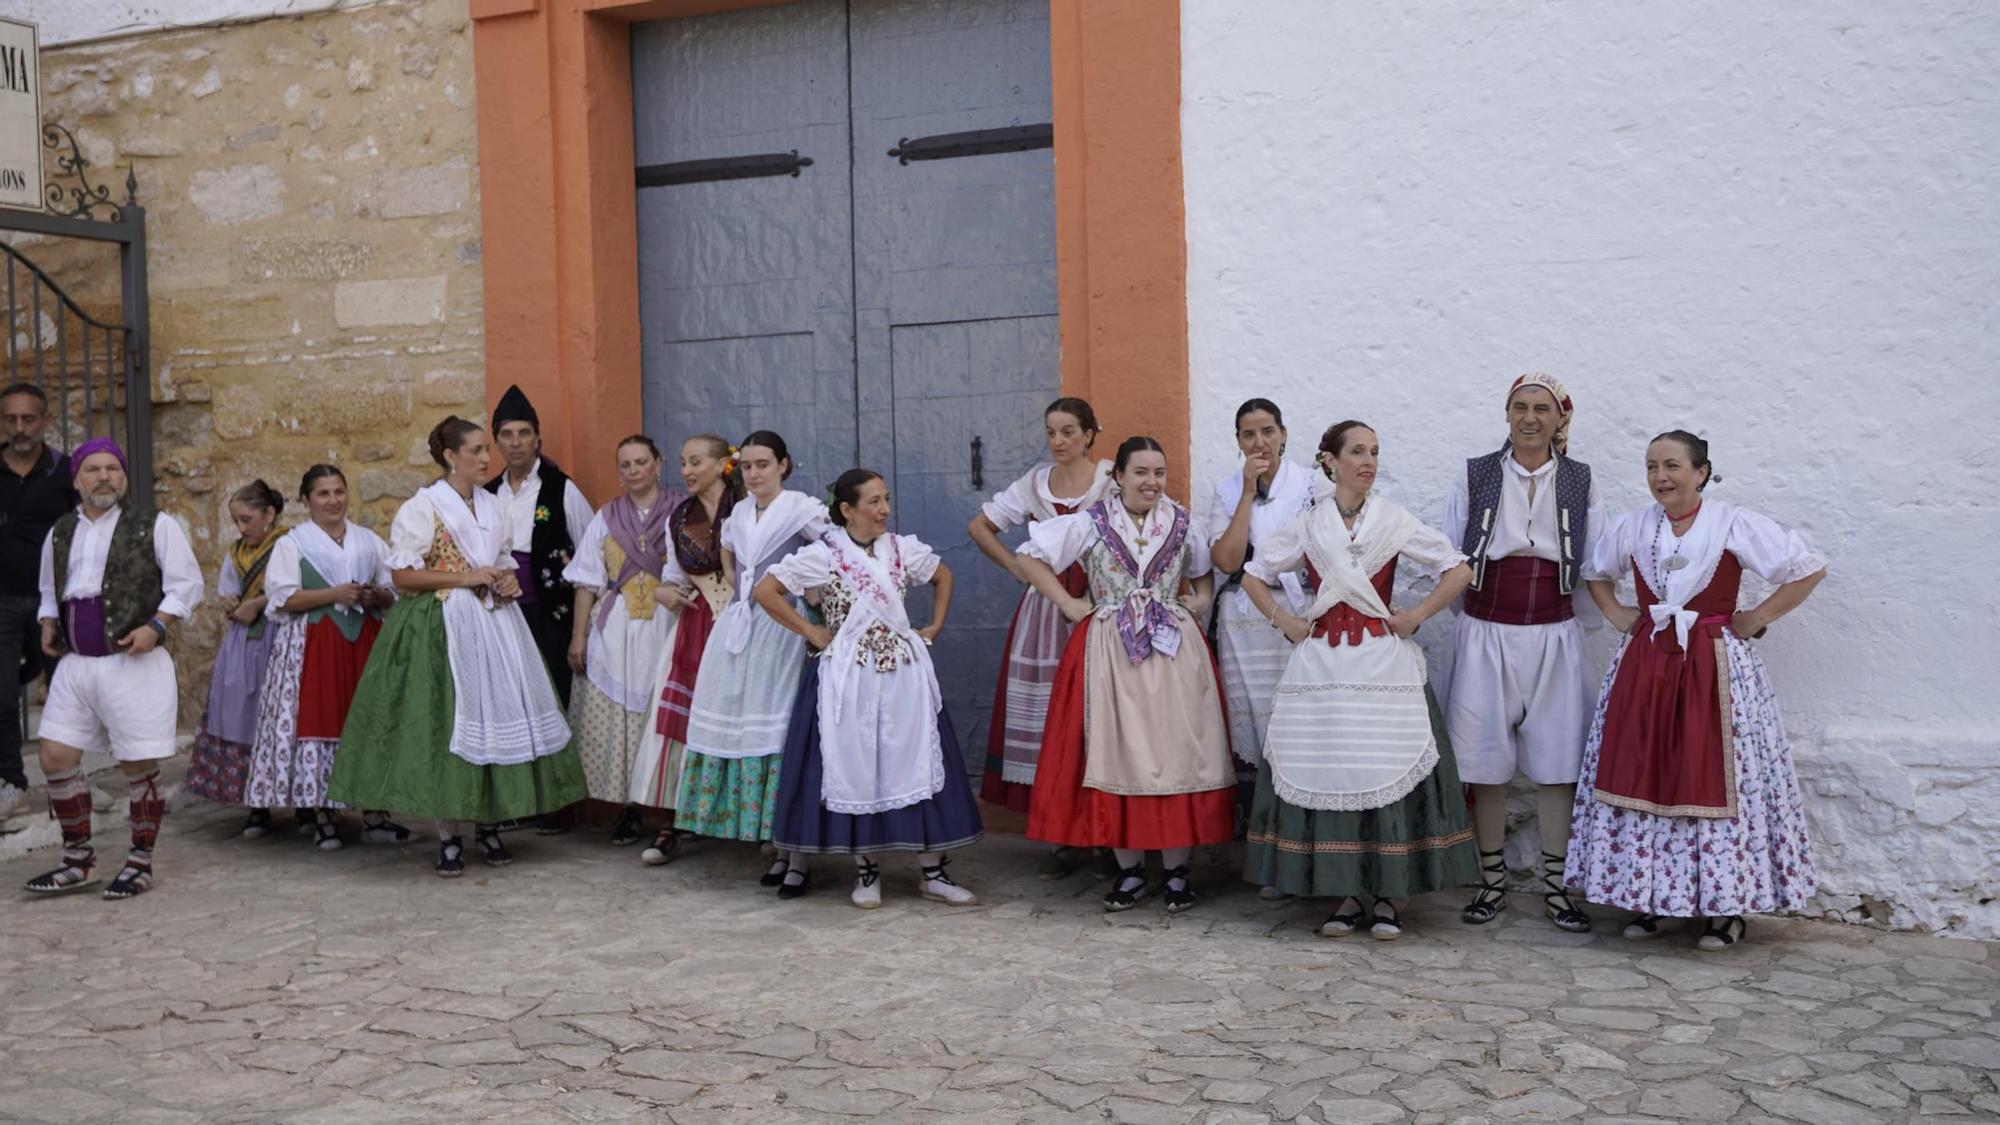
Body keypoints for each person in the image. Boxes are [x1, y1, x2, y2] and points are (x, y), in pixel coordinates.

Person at [1568, 431, 1826, 951]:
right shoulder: (1634, 527)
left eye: (1672, 466)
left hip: (1715, 665)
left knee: (1713, 776)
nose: (1661, 477)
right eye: (1652, 467)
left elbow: (1806, 568)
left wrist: (1756, 616)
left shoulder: (1732, 522)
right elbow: (1596, 573)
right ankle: (1649, 899)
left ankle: (1723, 910)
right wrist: (1618, 613)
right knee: (1646, 770)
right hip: (1647, 665)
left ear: (1701, 471)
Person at [1239, 421, 1480, 940]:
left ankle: (1390, 896)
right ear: (1330, 461)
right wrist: (1289, 623)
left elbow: (1458, 568)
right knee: (1333, 769)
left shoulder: (1393, 520)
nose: (1368, 461)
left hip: (1380, 662)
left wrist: (1416, 615)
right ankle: (1347, 895)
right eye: (1357, 452)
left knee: (1382, 763)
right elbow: (1253, 575)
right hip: (1323, 664)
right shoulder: (1309, 525)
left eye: (1374, 452)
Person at [328, 417, 587, 877]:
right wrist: (465, 576)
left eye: (487, 450)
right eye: (477, 450)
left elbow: (501, 561)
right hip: (441, 625)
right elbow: (403, 576)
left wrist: (504, 579)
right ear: (451, 456)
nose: (487, 458)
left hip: (494, 626)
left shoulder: (492, 506)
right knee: (448, 724)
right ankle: (449, 835)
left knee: (496, 718)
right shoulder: (423, 507)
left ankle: (488, 823)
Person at [1016, 436, 1232, 914]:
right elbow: (1027, 557)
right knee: (1115, 751)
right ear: (1118, 477)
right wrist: (1070, 603)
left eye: (1159, 473)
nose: (1151, 482)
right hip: (1109, 648)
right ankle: (1130, 870)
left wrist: (1199, 599)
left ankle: (1177, 873)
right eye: (1141, 472)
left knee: (1177, 751)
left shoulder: (1181, 522)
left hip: (1173, 651)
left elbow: (1202, 574)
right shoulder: (1090, 523)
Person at [761, 469, 982, 908]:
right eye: (873, 502)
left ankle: (932, 872)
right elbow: (766, 590)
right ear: (847, 510)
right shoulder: (823, 555)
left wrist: (933, 627)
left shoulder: (901, 548)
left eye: (886, 499)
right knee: (859, 767)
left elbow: (943, 576)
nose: (883, 510)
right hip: (850, 677)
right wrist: (811, 630)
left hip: (903, 675)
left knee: (916, 759)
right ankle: (866, 872)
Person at [1442, 372, 1603, 932]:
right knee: (1484, 763)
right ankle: (1491, 884)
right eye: (1519, 407)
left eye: (1541, 408)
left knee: (1559, 764)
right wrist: (1472, 624)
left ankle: (1556, 888)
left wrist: (1569, 627)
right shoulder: (1476, 473)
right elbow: (1450, 553)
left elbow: (1592, 564)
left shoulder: (1581, 480)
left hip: (1554, 634)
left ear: (1561, 418)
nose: (1529, 417)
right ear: (1506, 413)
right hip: (1485, 629)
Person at [23, 437, 203, 899]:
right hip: (76, 664)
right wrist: (48, 622)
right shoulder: (61, 530)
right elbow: (50, 587)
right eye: (94, 470)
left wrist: (157, 626)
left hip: (132, 662)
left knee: (137, 763)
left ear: (123, 477)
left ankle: (140, 863)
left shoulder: (154, 525)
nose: (104, 477)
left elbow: (186, 584)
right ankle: (78, 860)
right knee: (55, 756)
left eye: (113, 469)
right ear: (77, 479)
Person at [965, 397, 1112, 878]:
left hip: (1099, 606)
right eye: (1052, 432)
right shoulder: (1034, 484)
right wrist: (1016, 568)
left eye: (1069, 431)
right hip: (1046, 612)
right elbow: (980, 526)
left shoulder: (1111, 479)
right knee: (1053, 718)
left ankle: (1106, 832)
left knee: (1100, 715)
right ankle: (1064, 836)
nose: (1059, 441)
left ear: (1090, 433)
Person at [677, 431, 829, 894]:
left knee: (784, 728)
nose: (756, 474)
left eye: (764, 465)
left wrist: (812, 594)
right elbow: (728, 559)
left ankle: (796, 855)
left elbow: (832, 551)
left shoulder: (803, 508)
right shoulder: (739, 512)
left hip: (783, 626)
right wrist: (736, 590)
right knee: (744, 723)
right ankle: (776, 844)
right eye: (747, 466)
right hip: (743, 626)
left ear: (783, 465)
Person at [247, 465, 414, 849]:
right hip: (313, 643)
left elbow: (393, 590)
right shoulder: (294, 544)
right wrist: (332, 594)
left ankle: (375, 814)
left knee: (369, 720)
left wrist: (375, 596)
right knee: (321, 719)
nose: (333, 501)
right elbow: (282, 598)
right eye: (323, 494)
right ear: (306, 500)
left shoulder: (368, 540)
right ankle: (323, 814)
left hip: (364, 642)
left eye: (339, 492)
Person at [1206, 398, 1317, 902]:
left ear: (1284, 434)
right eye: (1248, 435)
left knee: (1296, 728)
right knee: (1254, 731)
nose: (1260, 443)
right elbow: (1227, 557)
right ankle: (1266, 856)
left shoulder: (1313, 486)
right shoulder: (1226, 491)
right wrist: (1248, 494)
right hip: (1244, 624)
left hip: (1295, 617)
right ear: (1238, 442)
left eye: (1267, 431)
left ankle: (1304, 850)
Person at [563, 435, 684, 846]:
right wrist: (578, 637)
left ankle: (672, 810)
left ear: (658, 463)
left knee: (662, 711)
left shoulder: (680, 512)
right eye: (626, 464)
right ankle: (628, 809)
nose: (634, 471)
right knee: (621, 720)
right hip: (615, 627)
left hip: (666, 624)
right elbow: (586, 581)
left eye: (641, 462)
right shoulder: (606, 516)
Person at [630, 434, 742, 865]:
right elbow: (672, 575)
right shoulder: (680, 518)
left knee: (744, 715)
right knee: (682, 720)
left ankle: (756, 821)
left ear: (721, 465)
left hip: (745, 624)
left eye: (696, 462)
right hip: (696, 626)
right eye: (683, 462)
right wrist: (664, 593)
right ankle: (672, 822)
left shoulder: (746, 509)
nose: (687, 471)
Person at [185, 481, 289, 833]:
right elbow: (228, 588)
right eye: (237, 521)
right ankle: (256, 802)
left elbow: (295, 588)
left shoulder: (288, 546)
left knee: (284, 715)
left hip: (280, 635)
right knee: (243, 714)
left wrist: (258, 603)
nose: (242, 528)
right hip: (244, 643)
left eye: (247, 519)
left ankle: (304, 804)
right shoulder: (236, 552)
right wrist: (233, 602)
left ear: (269, 514)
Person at [484, 384, 593, 710]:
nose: (515, 442)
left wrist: (581, 630)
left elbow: (589, 555)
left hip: (551, 614)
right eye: (507, 434)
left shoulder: (561, 488)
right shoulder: (488, 495)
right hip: (503, 611)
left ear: (536, 438)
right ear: (497, 441)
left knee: (553, 692)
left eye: (523, 433)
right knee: (510, 696)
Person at [0, 383, 76, 820]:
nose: (19, 427)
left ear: (44, 421)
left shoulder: (66, 472)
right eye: (10, 419)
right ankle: (11, 781)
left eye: (28, 418)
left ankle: (71, 778)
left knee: (66, 693)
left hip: (54, 602)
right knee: (2, 693)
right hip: (2, 600)